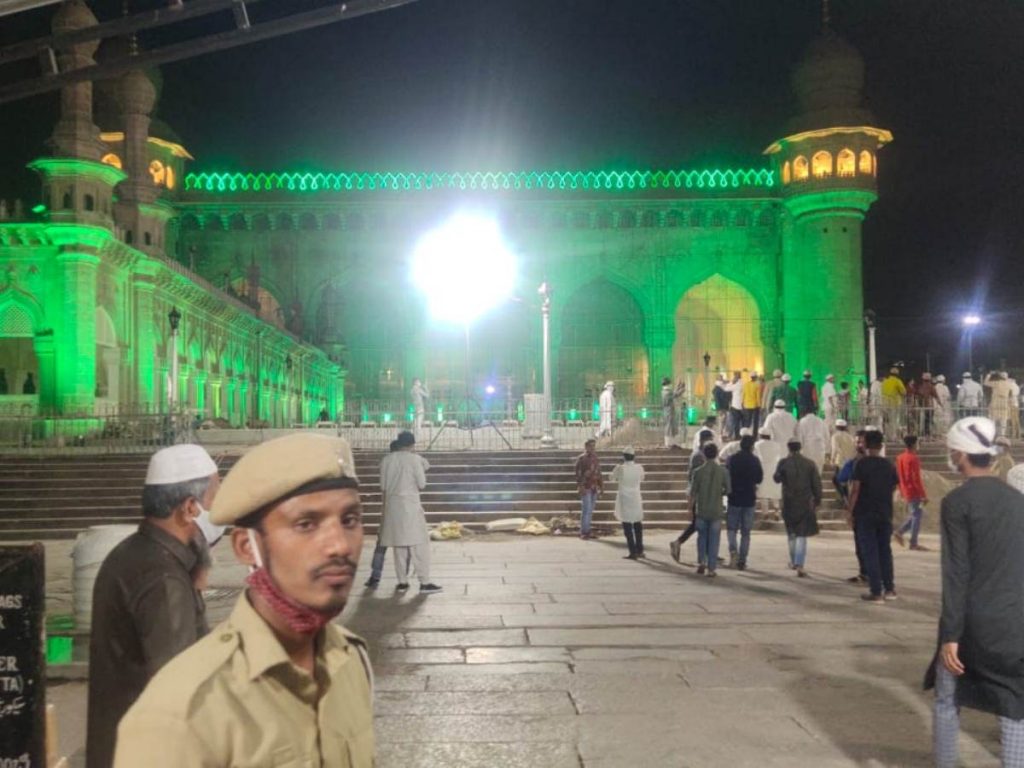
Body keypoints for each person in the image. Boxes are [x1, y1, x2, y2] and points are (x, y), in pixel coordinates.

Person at [113, 434, 374, 767]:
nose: (339, 545)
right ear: (246, 547)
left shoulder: (351, 662)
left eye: (349, 520)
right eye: (306, 524)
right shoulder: (181, 712)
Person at [87, 445, 221, 768]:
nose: (223, 513)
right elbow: (180, 696)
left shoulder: (134, 554)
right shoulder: (163, 580)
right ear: (190, 508)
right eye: (215, 500)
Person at [925, 417, 1024, 768]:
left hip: (973, 623)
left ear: (959, 455)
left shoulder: (957, 502)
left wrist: (951, 635)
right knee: (1014, 708)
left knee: (947, 699)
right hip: (1015, 623)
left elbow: (956, 573)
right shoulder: (1017, 501)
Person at [378, 430, 441, 593]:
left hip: (393, 506)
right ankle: (424, 581)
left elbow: (383, 486)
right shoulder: (414, 460)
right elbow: (422, 484)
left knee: (399, 545)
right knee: (419, 543)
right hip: (410, 505)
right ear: (413, 444)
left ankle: (402, 582)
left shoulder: (386, 460)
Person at [848, 429, 900, 603]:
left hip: (865, 513)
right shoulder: (888, 465)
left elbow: (855, 490)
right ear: (881, 445)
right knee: (885, 550)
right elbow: (893, 487)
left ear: (865, 445)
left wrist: (850, 511)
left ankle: (876, 591)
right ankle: (890, 589)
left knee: (870, 552)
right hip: (885, 512)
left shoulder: (861, 464)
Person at [774, 439, 821, 577]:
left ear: (788, 448)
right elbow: (816, 484)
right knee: (802, 534)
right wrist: (817, 499)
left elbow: (776, 479)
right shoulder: (810, 464)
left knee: (791, 533)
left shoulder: (784, 463)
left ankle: (794, 560)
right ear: (800, 448)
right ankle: (800, 564)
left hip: (789, 501)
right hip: (805, 502)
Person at [671, 428, 715, 561]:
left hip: (702, 494)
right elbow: (697, 479)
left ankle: (706, 551)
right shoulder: (698, 456)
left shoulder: (702, 455)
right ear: (704, 441)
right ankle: (679, 543)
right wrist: (691, 502)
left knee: (700, 524)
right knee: (699, 524)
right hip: (698, 495)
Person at [689, 442, 731, 577]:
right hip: (716, 510)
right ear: (717, 454)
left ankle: (702, 562)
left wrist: (690, 508)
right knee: (714, 539)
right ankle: (711, 568)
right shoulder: (723, 471)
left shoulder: (698, 472)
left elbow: (693, 492)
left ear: (704, 455)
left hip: (701, 509)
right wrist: (719, 492)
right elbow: (728, 490)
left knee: (702, 537)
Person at [364, 440, 401, 588]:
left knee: (381, 546)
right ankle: (403, 579)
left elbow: (384, 492)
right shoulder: (405, 465)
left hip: (390, 509)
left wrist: (383, 517)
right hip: (402, 510)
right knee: (404, 547)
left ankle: (375, 576)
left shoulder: (386, 465)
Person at [726, 434, 763, 570]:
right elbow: (759, 478)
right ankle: (742, 560)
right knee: (746, 532)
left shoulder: (732, 459)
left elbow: (726, 475)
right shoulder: (755, 461)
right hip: (749, 498)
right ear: (752, 447)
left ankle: (733, 551)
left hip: (734, 497)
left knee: (731, 529)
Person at [894, 435, 929, 551]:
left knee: (916, 514)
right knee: (916, 515)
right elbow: (915, 478)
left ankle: (900, 532)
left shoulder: (900, 457)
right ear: (914, 444)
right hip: (913, 490)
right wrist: (923, 495)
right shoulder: (913, 458)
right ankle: (913, 542)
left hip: (905, 489)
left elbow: (898, 475)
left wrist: (901, 489)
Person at [611, 446, 645, 559]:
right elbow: (642, 478)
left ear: (623, 457)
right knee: (637, 524)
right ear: (634, 456)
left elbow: (611, 478)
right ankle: (640, 550)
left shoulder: (620, 468)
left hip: (625, 499)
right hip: (636, 498)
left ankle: (632, 551)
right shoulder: (639, 468)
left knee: (627, 525)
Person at [574, 439, 603, 539]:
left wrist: (601, 486)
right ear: (586, 446)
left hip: (594, 487)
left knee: (590, 510)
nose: (592, 448)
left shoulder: (595, 458)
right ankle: (583, 532)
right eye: (591, 446)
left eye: (594, 446)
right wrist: (580, 486)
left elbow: (599, 473)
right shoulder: (581, 459)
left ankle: (588, 530)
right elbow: (577, 474)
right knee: (586, 509)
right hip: (585, 487)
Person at [754, 427, 784, 521]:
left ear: (760, 435)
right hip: (774, 469)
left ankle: (765, 513)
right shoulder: (776, 445)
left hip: (762, 469)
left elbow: (755, 456)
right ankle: (777, 512)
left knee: (763, 492)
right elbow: (780, 457)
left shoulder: (757, 445)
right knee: (774, 492)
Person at [984, 371, 1014, 437]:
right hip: (1004, 403)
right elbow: (1012, 394)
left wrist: (989, 374)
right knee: (1003, 420)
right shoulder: (1010, 384)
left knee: (993, 419)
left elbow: (985, 383)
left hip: (995, 402)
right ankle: (1002, 435)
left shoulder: (996, 383)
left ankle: (992, 434)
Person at [881, 367, 907, 440]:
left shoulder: (885, 381)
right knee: (893, 421)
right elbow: (904, 392)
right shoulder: (897, 381)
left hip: (884, 404)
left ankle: (887, 436)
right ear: (897, 374)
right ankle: (893, 437)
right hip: (893, 404)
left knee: (886, 421)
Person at [661, 377, 686, 448]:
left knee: (672, 427)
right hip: (669, 412)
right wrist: (682, 390)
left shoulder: (666, 391)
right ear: (668, 384)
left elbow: (674, 393)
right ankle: (669, 443)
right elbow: (675, 395)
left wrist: (679, 386)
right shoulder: (666, 392)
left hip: (669, 412)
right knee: (669, 427)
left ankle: (672, 442)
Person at [916, 372, 939, 437]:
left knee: (923, 421)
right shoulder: (931, 387)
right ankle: (927, 433)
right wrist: (941, 405)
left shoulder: (920, 387)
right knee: (928, 421)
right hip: (929, 407)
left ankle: (923, 433)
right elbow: (936, 396)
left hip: (922, 406)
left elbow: (918, 396)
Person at [725, 370, 744, 440]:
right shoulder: (743, 383)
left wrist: (731, 382)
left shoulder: (736, 385)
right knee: (742, 423)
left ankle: (737, 436)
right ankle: (742, 435)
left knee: (735, 422)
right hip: (743, 406)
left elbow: (726, 389)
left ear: (736, 376)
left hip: (735, 406)